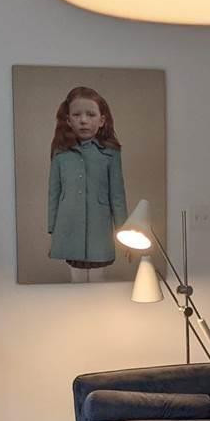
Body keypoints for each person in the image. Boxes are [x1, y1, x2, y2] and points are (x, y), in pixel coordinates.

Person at [47, 86, 128, 281]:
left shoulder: (110, 154)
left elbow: (117, 195)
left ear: (101, 120)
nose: (83, 120)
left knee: (98, 281)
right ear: (68, 120)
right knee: (76, 280)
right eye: (77, 115)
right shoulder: (61, 153)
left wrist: (124, 231)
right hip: (69, 226)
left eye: (90, 114)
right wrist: (53, 227)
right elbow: (54, 192)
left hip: (99, 229)